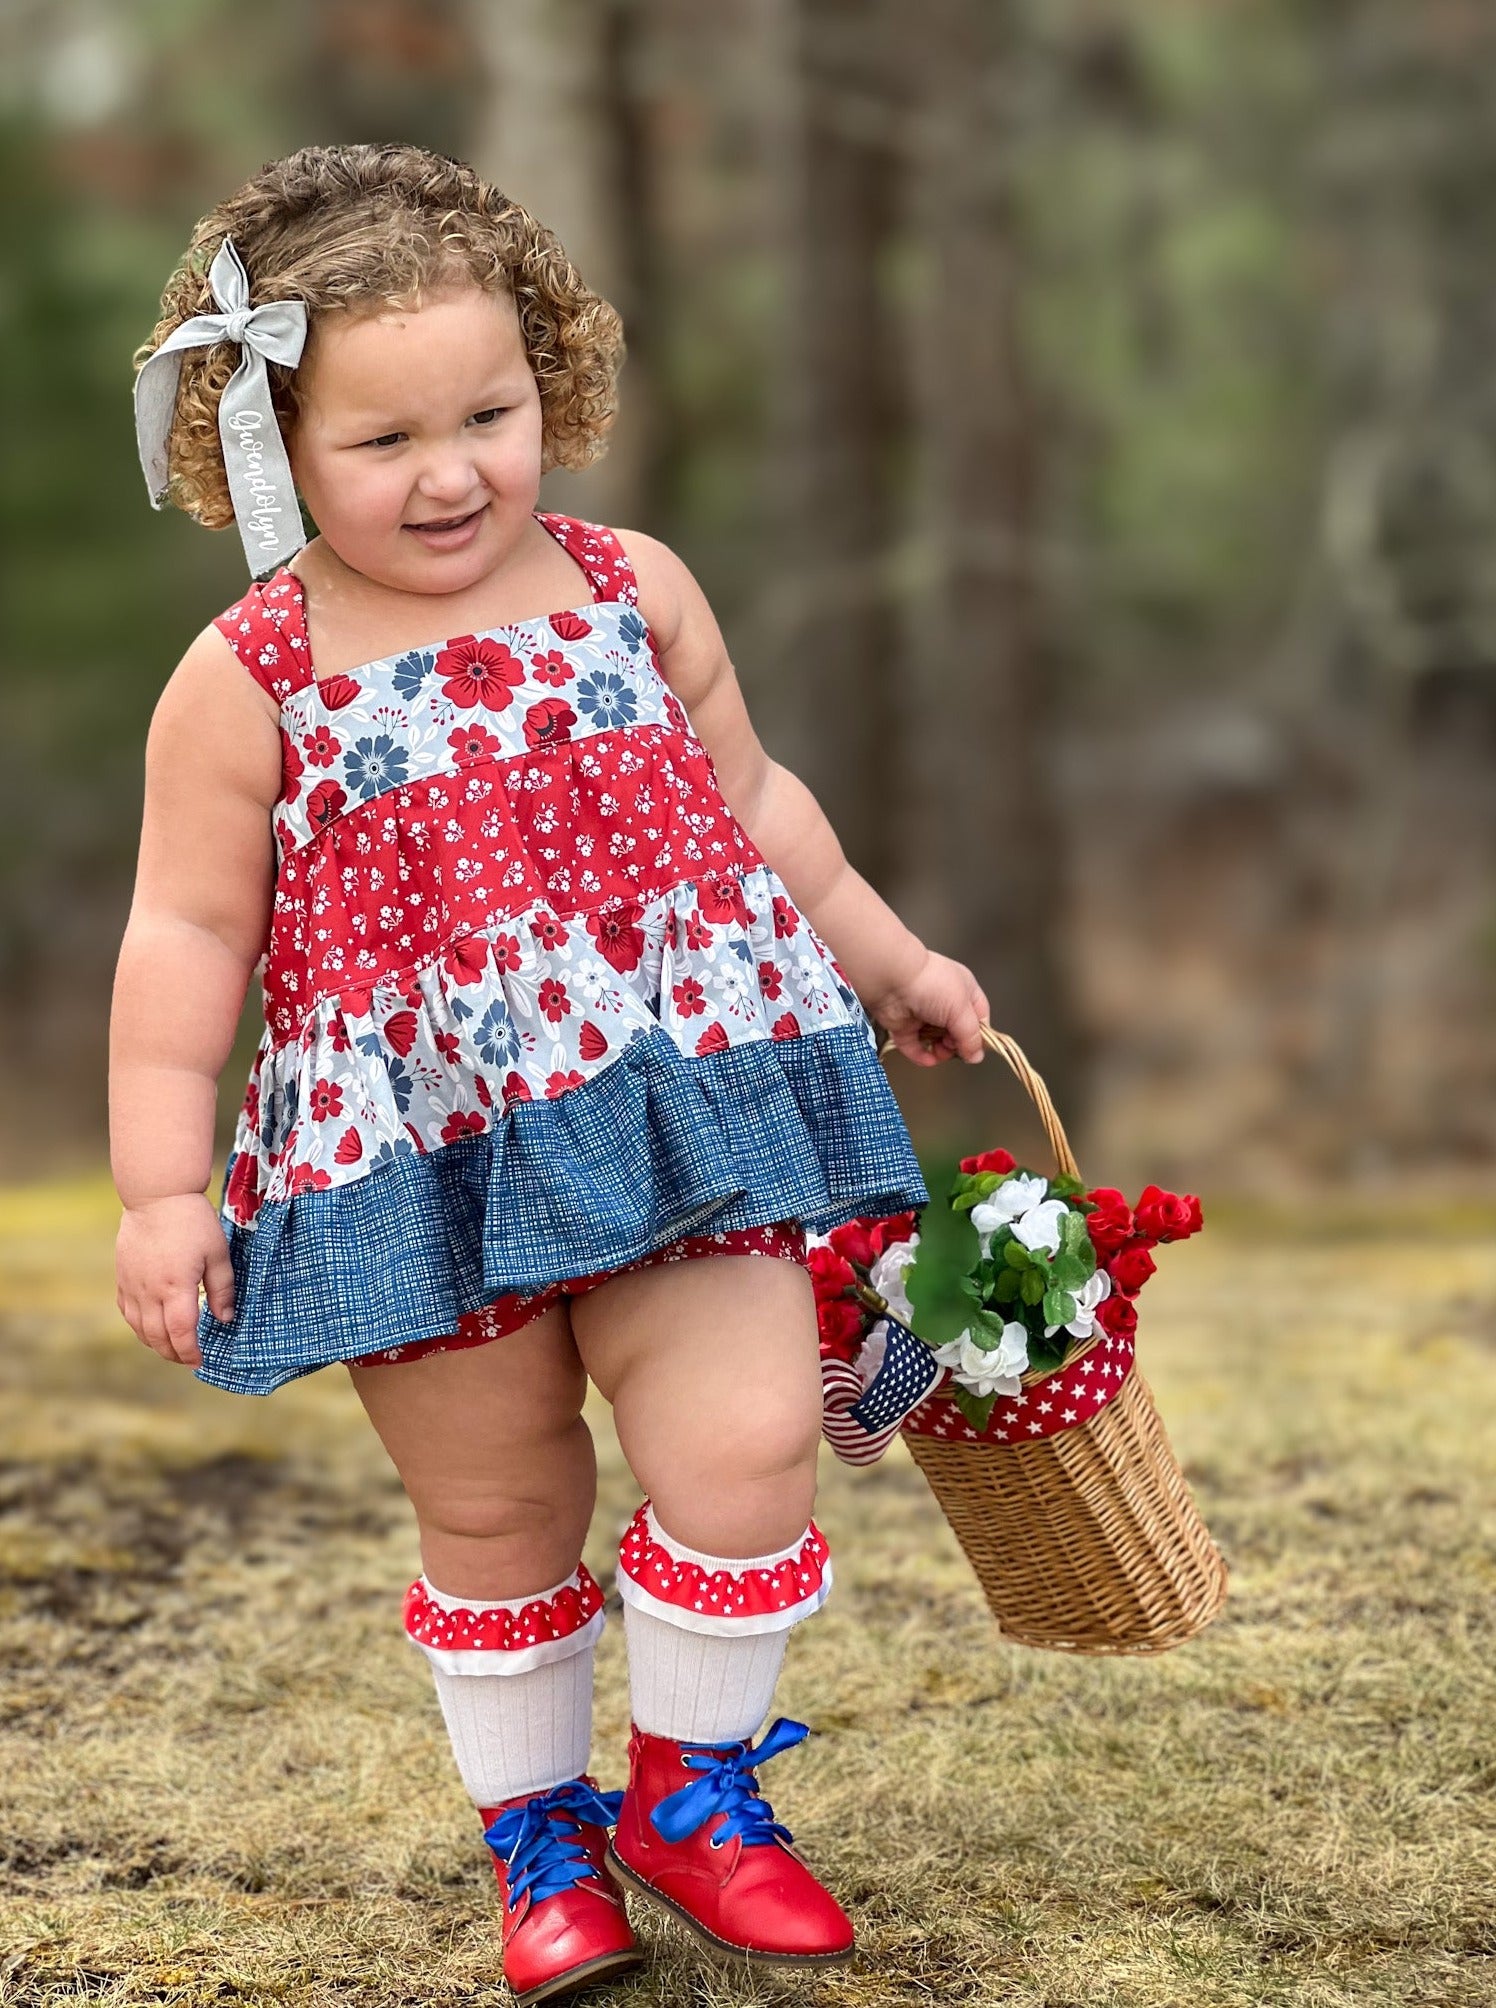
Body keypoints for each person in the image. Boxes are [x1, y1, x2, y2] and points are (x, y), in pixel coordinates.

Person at [111, 141, 990, 2003]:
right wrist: (163, 1189)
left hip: (679, 1102)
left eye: (492, 413)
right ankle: (543, 1842)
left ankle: (696, 1792)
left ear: (552, 384)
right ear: (266, 448)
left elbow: (759, 810)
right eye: (383, 441)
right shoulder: (251, 673)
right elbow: (187, 940)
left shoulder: (625, 587)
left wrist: (897, 959)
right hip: (412, 1153)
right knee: (504, 1511)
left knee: (748, 1449)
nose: (452, 474)